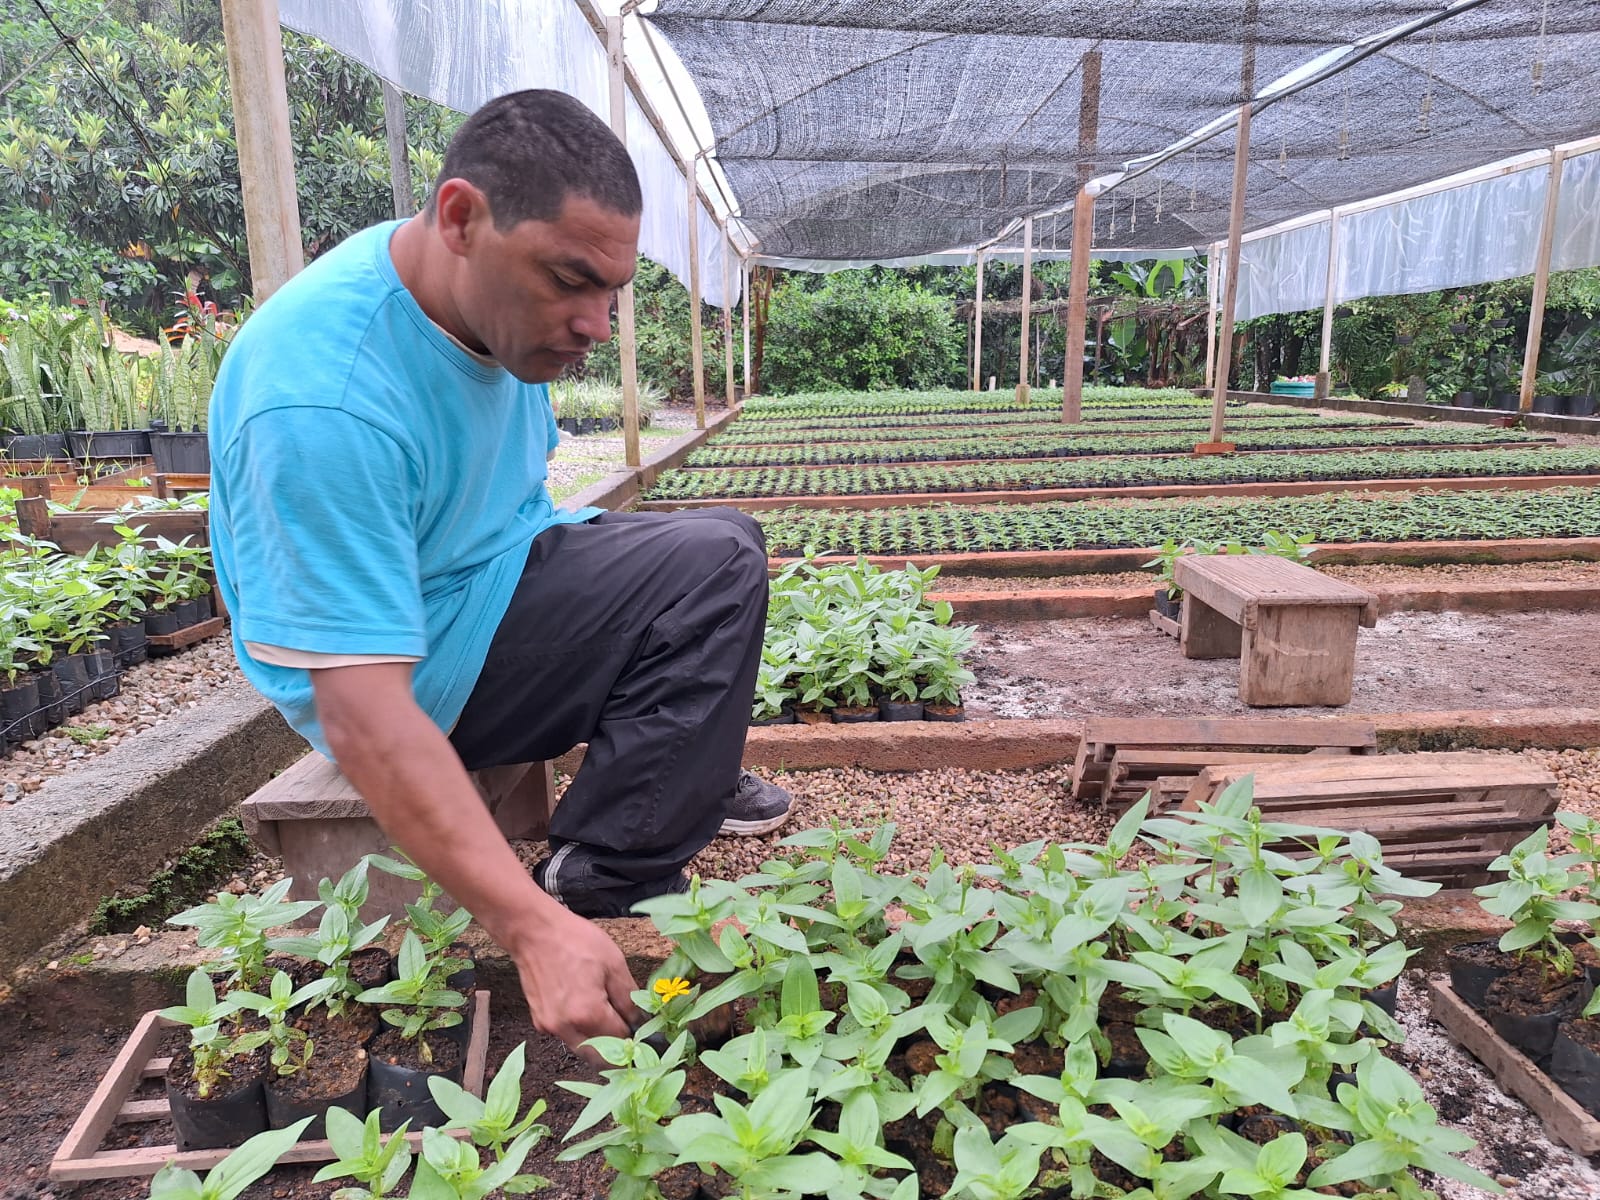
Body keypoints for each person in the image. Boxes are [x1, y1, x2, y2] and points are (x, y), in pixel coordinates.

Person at [208, 89, 791, 1056]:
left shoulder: (461, 301)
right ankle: (606, 872)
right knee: (711, 566)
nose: (596, 323)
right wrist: (523, 924)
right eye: (569, 281)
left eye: (612, 291)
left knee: (723, 536)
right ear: (461, 217)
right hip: (408, 666)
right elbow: (360, 711)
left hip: (475, 583)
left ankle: (675, 781)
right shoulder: (324, 399)